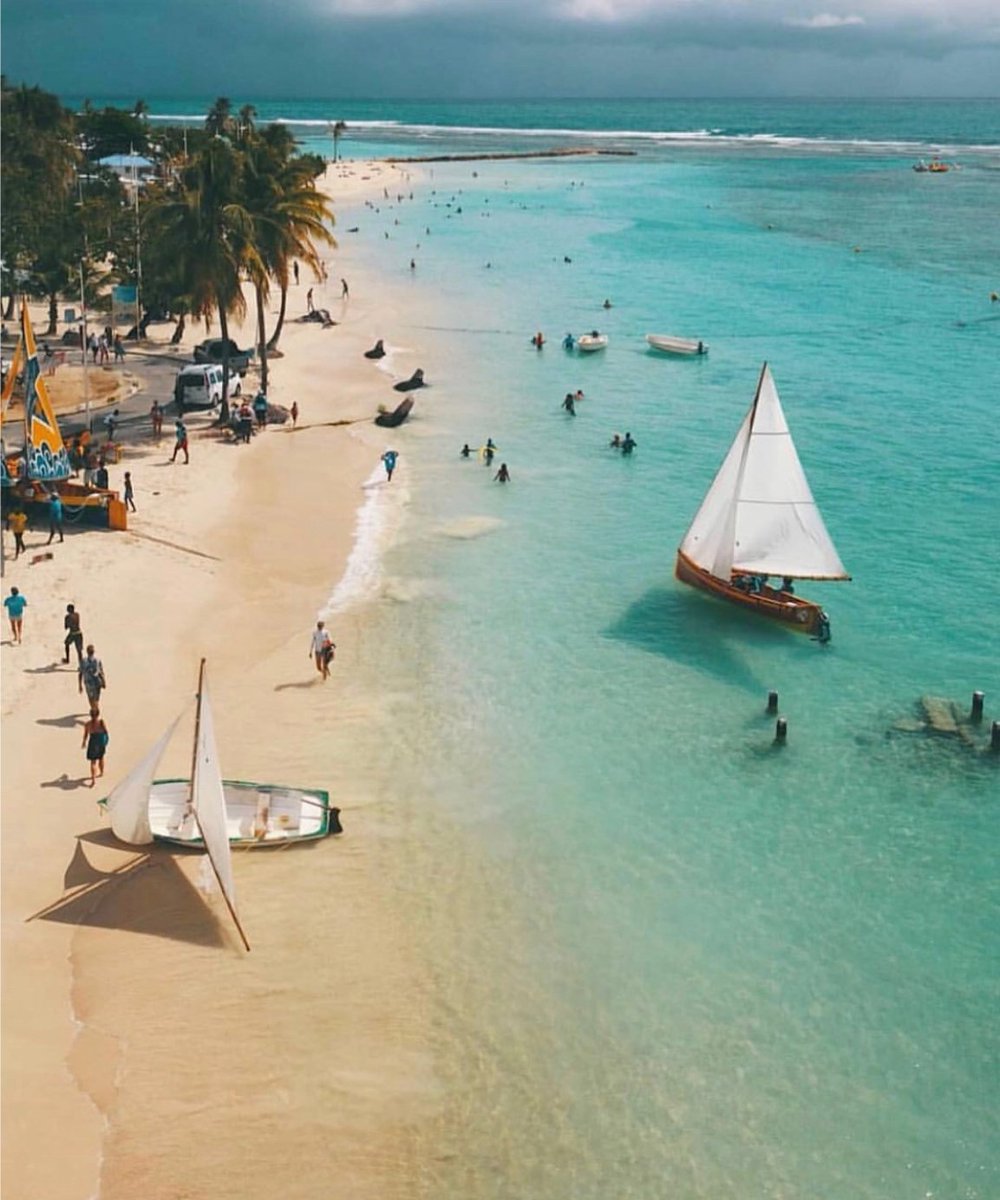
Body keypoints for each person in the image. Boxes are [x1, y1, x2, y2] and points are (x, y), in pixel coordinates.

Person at [82, 705, 109, 787]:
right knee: (101, 758)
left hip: (92, 742)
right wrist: (106, 741)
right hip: (100, 741)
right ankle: (101, 772)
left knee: (93, 762)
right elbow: (106, 732)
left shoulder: (87, 724)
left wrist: (84, 742)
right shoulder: (101, 722)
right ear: (98, 714)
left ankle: (93, 779)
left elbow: (86, 734)